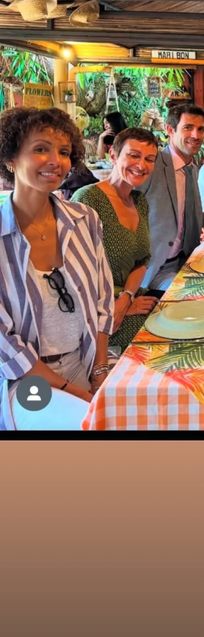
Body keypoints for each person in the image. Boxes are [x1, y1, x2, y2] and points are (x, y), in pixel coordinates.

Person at [0, 108, 115, 431]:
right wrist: (75, 392)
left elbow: (103, 300)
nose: (56, 161)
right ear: (10, 158)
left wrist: (100, 370)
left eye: (64, 152)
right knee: (90, 426)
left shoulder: (84, 219)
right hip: (23, 382)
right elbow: (5, 346)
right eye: (40, 149)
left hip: (83, 362)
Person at [72, 128, 159, 352]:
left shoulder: (140, 201)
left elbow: (143, 260)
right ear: (113, 155)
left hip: (129, 299)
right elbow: (71, 272)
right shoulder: (88, 199)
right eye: (133, 155)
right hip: (95, 314)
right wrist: (114, 307)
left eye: (149, 159)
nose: (142, 165)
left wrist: (127, 297)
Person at [140, 102, 204, 293]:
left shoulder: (191, 168)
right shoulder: (152, 164)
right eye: (188, 128)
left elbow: (181, 213)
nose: (196, 135)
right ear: (170, 130)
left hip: (186, 260)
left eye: (200, 129)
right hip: (154, 269)